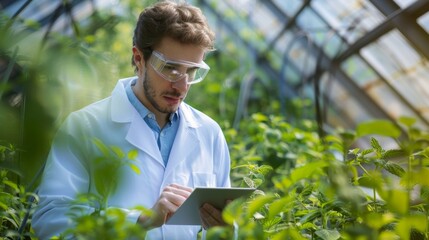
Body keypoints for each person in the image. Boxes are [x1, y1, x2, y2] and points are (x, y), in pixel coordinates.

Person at [32, 1, 231, 239]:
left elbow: (225, 225)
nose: (181, 86)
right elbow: (52, 222)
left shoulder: (209, 133)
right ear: (139, 58)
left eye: (191, 72)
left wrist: (227, 229)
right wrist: (141, 220)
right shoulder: (84, 128)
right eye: (170, 68)